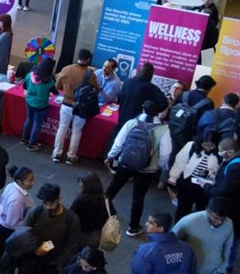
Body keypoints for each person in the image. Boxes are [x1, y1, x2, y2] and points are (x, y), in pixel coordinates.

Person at [7, 183, 81, 274]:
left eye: (51, 203)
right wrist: (35, 249)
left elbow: (72, 246)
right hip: (35, 262)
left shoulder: (71, 219)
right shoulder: (37, 211)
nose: (48, 207)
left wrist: (59, 264)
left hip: (54, 264)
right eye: (45, 203)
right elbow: (24, 232)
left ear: (59, 199)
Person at [105, 100, 171, 237]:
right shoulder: (164, 130)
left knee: (112, 189)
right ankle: (133, 227)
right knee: (138, 197)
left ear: (142, 108)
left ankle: (102, 213)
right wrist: (158, 166)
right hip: (146, 169)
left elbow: (118, 143)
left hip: (126, 163)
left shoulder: (132, 123)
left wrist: (111, 156)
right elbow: (165, 154)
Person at [206, 138, 240, 274]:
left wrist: (208, 188)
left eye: (222, 152)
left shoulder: (237, 168)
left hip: (234, 209)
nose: (220, 155)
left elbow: (225, 190)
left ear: (230, 152)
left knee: (231, 239)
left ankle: (226, 267)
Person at [53, 49, 99, 164]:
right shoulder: (89, 73)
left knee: (62, 128)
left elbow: (57, 86)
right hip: (81, 107)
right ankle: (71, 157)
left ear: (77, 56)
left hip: (66, 104)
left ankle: (57, 154)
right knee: (76, 131)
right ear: (88, 59)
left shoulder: (66, 69)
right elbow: (97, 89)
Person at [168, 131, 220, 221]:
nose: (208, 148)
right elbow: (180, 162)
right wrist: (172, 178)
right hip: (187, 183)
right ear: (201, 142)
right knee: (182, 209)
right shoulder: (191, 146)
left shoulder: (219, 154)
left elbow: (219, 171)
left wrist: (209, 173)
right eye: (205, 145)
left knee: (200, 211)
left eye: (211, 146)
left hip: (205, 187)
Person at [70, 171, 115, 250]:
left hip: (81, 233)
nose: (80, 185)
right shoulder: (105, 198)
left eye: (81, 183)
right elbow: (111, 213)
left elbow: (71, 216)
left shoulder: (80, 200)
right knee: (90, 254)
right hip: (98, 233)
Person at [116, 62, 168, 131]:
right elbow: (164, 103)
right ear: (151, 75)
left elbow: (119, 98)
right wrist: (152, 110)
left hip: (122, 120)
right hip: (139, 124)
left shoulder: (127, 82)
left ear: (138, 72)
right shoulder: (151, 88)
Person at [21, 59, 56, 151]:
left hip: (29, 102)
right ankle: (32, 144)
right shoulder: (49, 80)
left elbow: (24, 86)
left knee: (29, 119)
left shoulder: (30, 75)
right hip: (41, 105)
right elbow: (55, 92)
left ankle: (24, 139)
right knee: (36, 124)